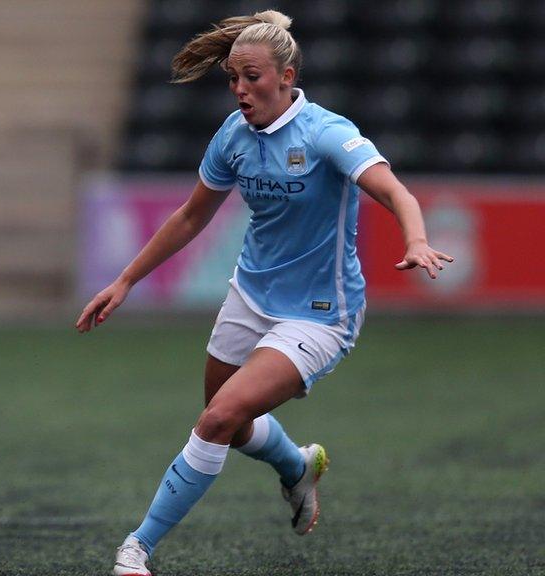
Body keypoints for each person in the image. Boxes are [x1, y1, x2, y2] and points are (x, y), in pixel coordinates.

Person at [76, 10, 453, 576]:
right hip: (249, 296)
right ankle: (296, 466)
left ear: (287, 74)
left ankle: (136, 549)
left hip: (320, 314)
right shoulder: (233, 134)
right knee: (225, 416)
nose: (240, 90)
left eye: (252, 77)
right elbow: (190, 217)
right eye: (233, 78)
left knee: (216, 420)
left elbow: (393, 190)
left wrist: (417, 239)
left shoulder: (327, 133)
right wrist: (126, 280)